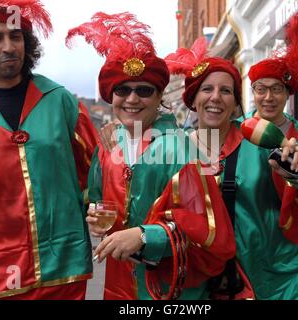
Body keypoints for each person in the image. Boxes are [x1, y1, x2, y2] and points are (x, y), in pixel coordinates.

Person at [165, 10, 298, 300]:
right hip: (227, 272)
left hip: (286, 268)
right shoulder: (232, 133)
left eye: (277, 89)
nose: (269, 97)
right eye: (261, 89)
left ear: (288, 94)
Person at [66, 12, 236, 300]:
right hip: (116, 287)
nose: (132, 99)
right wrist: (94, 213)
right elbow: (94, 197)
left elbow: (208, 228)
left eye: (144, 91)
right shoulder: (107, 146)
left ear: (159, 99)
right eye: (123, 90)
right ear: (111, 96)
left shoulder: (182, 149)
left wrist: (145, 236)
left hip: (170, 290)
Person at [0, 0, 98, 300]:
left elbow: (96, 173)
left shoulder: (61, 101)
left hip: (62, 269)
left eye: (16, 37)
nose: (8, 46)